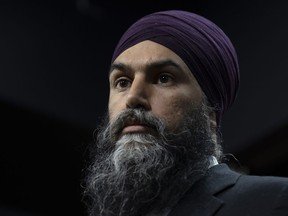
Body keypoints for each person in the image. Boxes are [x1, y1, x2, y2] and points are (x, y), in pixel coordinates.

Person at [83, 10, 288, 216]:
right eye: (123, 82)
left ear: (209, 114)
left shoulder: (274, 201)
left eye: (164, 78)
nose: (133, 98)